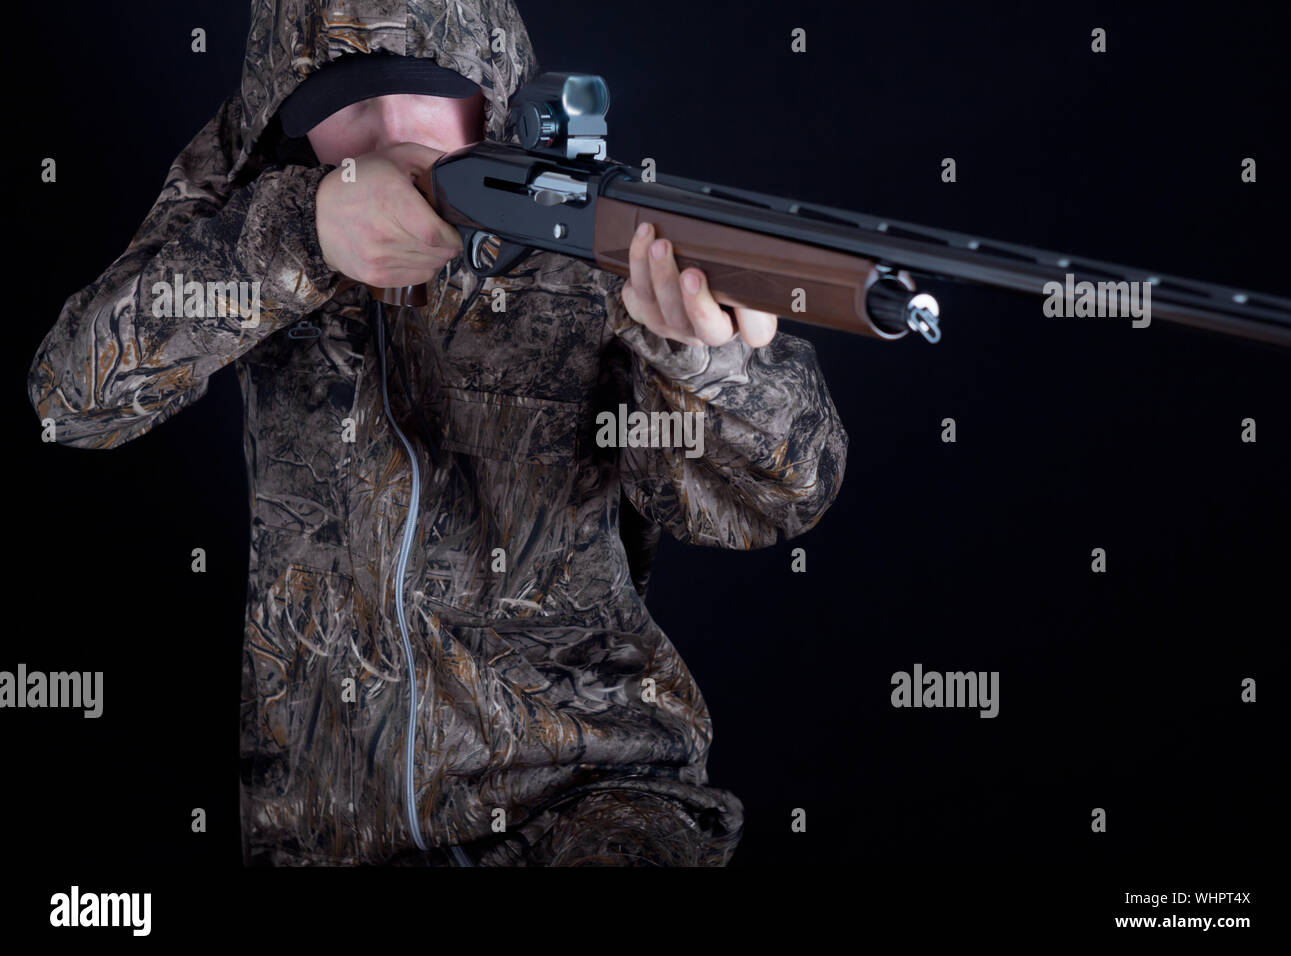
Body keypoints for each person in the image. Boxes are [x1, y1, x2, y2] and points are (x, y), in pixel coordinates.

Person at [28, 0, 848, 866]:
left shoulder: (598, 232)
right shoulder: (254, 183)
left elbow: (783, 501)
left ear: (491, 95)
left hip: (594, 804)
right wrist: (297, 237)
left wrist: (714, 366)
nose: (389, 136)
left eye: (424, 94)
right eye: (342, 103)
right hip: (326, 829)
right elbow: (71, 399)